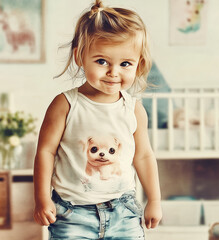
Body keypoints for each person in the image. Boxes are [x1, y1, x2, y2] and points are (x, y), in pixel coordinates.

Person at [33, 1, 162, 239]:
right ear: (80, 56)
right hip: (72, 214)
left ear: (138, 64)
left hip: (124, 212)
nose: (113, 72)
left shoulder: (133, 108)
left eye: (125, 64)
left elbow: (143, 155)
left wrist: (154, 199)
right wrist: (41, 198)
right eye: (102, 61)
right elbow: (45, 152)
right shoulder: (65, 104)